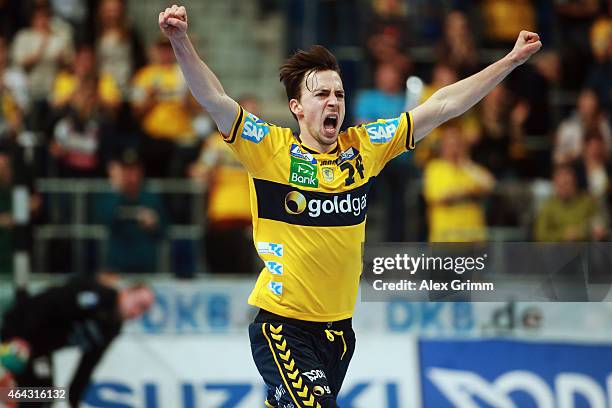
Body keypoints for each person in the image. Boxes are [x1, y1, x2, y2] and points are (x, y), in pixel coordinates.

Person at [158, 5, 542, 407]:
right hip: (283, 325)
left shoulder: (364, 147)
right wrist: (180, 40)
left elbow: (443, 105)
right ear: (297, 108)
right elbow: (214, 98)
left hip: (339, 334)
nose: (333, 102)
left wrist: (510, 61)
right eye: (321, 94)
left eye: (339, 93)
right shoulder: (270, 149)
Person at [0, 277, 155, 407]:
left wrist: (74, 400)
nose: (137, 312)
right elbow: (47, 303)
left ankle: (5, 395)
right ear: (127, 292)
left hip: (39, 349)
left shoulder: (112, 328)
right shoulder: (98, 296)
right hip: (20, 332)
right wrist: (18, 337)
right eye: (139, 304)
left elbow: (89, 363)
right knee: (23, 375)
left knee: (47, 395)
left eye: (144, 311)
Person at [95, 148, 168, 273]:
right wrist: (117, 190)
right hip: (116, 268)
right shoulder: (109, 197)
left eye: (134, 170)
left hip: (146, 270)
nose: (130, 176)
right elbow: (103, 219)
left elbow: (164, 231)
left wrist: (154, 224)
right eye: (126, 171)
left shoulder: (151, 198)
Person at [423, 124, 495, 242]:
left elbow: (490, 184)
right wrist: (470, 192)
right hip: (445, 239)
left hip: (473, 239)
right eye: (451, 144)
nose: (455, 148)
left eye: (459, 144)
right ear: (443, 147)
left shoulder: (470, 169)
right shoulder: (435, 168)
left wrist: (466, 164)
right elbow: (437, 197)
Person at [534, 164, 607, 241]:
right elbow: (540, 235)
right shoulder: (548, 206)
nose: (563, 188)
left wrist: (581, 232)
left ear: (575, 182)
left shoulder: (587, 202)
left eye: (566, 183)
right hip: (557, 250)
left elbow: (598, 223)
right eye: (559, 185)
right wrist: (563, 235)